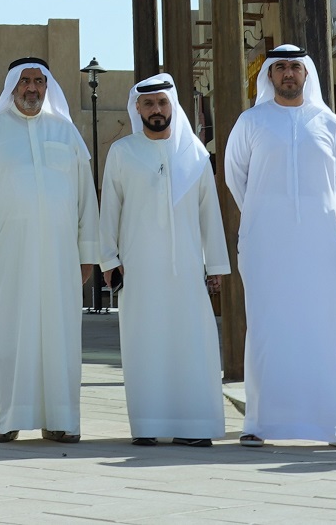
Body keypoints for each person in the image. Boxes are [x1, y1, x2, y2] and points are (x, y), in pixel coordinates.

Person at [224, 45, 336, 450]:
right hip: (266, 243)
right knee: (268, 327)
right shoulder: (251, 122)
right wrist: (267, 215)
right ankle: (260, 423)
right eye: (281, 68)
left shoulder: (328, 122)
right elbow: (237, 181)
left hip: (319, 243)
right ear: (268, 75)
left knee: (327, 328)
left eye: (295, 68)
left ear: (307, 74)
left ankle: (335, 425)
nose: (288, 74)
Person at [0, 57, 101, 444]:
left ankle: (62, 420)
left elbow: (86, 197)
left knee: (61, 336)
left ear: (47, 86)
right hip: (7, 255)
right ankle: (9, 419)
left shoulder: (66, 132)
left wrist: (88, 252)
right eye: (25, 81)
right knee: (9, 336)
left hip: (60, 257)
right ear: (12, 88)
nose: (32, 88)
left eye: (39, 81)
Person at [97, 73, 229, 447]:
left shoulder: (195, 156)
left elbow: (210, 214)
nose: (156, 110)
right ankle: (148, 424)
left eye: (162, 103)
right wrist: (108, 260)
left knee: (192, 344)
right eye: (149, 104)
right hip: (138, 271)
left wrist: (215, 266)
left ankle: (194, 427)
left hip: (187, 269)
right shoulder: (123, 152)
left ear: (173, 107)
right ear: (137, 108)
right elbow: (110, 211)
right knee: (144, 344)